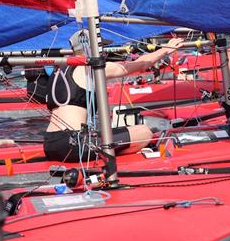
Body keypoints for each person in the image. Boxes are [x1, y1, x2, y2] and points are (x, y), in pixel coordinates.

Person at [43, 29, 184, 162]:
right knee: (144, 132)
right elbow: (139, 65)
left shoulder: (61, 69)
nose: (103, 52)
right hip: (74, 144)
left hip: (50, 143)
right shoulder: (91, 66)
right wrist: (166, 49)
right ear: (90, 46)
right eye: (101, 47)